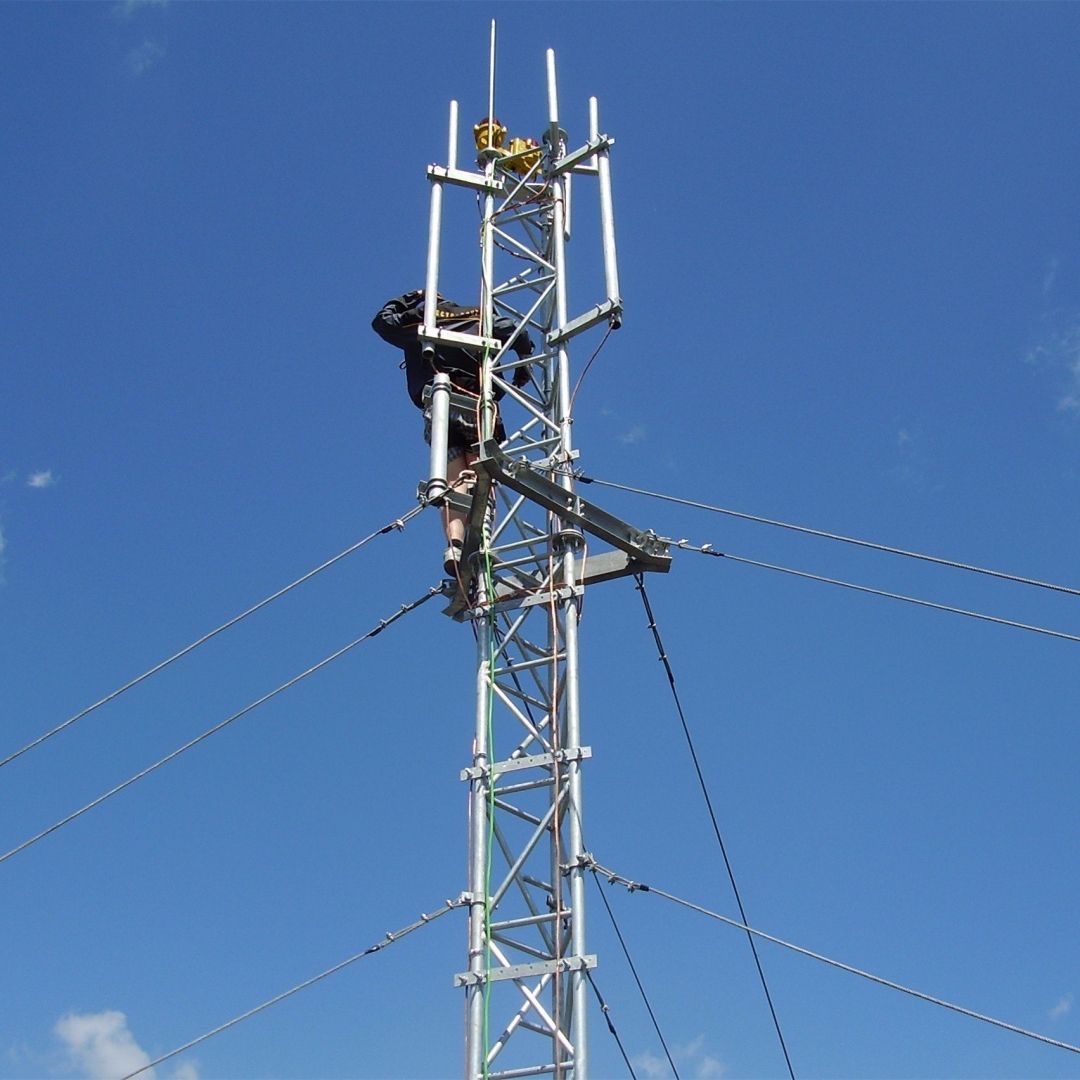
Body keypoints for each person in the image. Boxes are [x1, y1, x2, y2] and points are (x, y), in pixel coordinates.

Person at [372, 290, 535, 574]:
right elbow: (514, 330)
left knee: (453, 478)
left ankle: (455, 543)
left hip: (441, 402)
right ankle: (483, 537)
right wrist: (524, 359)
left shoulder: (420, 318)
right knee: (482, 471)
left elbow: (383, 322)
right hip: (479, 401)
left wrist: (412, 297)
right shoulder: (480, 316)